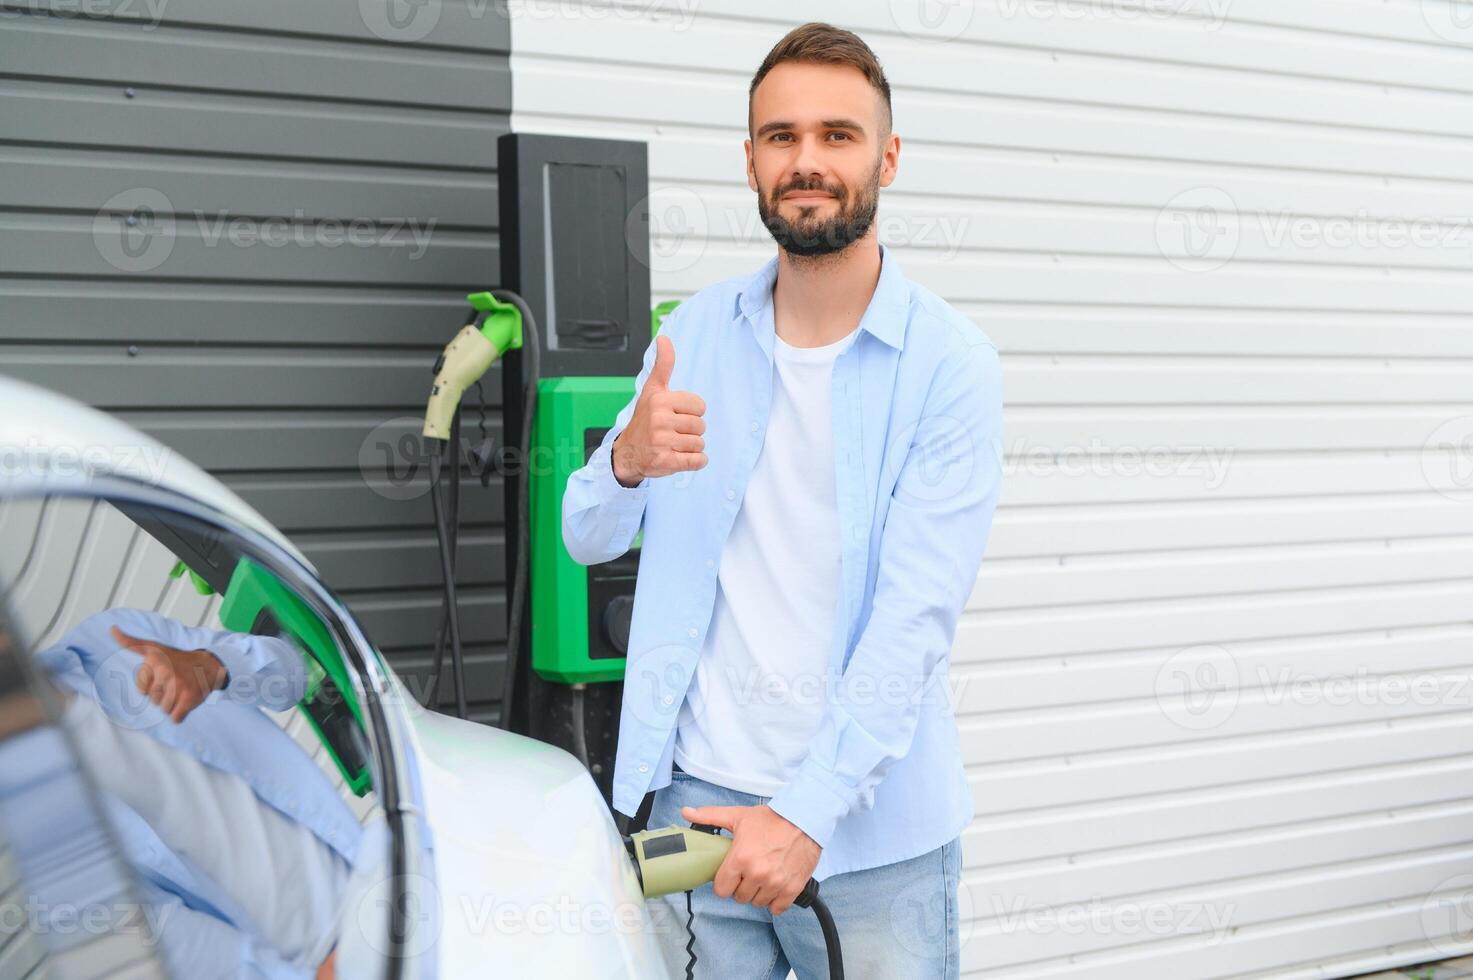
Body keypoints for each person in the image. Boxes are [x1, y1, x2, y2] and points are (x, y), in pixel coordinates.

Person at [562, 21, 1004, 980]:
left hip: (868, 839)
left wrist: (804, 814)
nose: (807, 161)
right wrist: (624, 462)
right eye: (781, 136)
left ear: (886, 156)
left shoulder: (948, 366)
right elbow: (585, 536)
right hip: (695, 809)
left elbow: (915, 617)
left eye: (837, 136)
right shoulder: (695, 333)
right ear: (751, 161)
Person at [18, 607, 366, 979]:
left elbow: (294, 673)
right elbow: (191, 953)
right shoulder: (37, 838)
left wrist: (213, 667)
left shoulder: (113, 638)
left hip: (381, 868)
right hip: (332, 961)